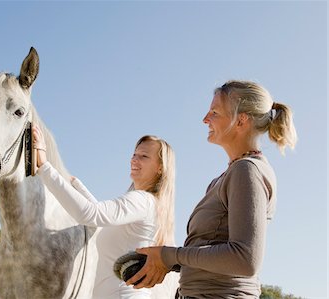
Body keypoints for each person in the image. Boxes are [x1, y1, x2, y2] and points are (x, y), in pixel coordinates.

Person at [126, 80, 298, 298]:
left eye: (214, 112)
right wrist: (165, 263)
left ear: (241, 120)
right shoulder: (227, 176)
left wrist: (170, 256)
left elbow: (245, 258)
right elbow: (212, 251)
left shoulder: (248, 171)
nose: (205, 119)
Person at [32, 129, 176, 299]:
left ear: (160, 168)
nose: (134, 159)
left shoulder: (142, 200)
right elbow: (100, 219)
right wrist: (75, 184)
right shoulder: (147, 203)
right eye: (134, 154)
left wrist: (44, 166)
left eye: (143, 156)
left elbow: (90, 214)